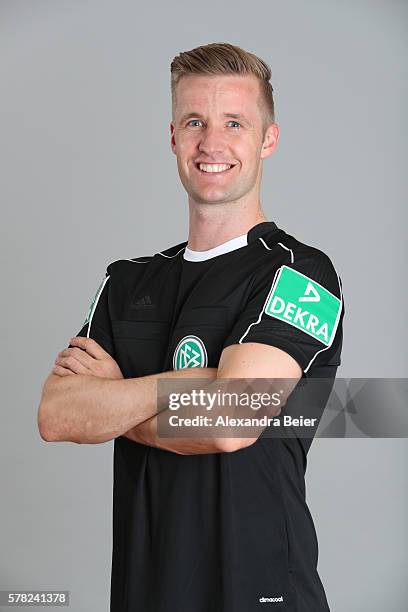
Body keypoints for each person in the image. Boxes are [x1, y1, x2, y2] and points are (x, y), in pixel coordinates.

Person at [38, 42, 344, 612]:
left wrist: (112, 402)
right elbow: (57, 417)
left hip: (260, 591)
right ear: (173, 137)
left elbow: (229, 422)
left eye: (234, 122)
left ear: (267, 140)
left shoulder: (301, 274)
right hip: (144, 591)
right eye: (195, 122)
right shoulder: (126, 282)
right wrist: (188, 386)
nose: (212, 143)